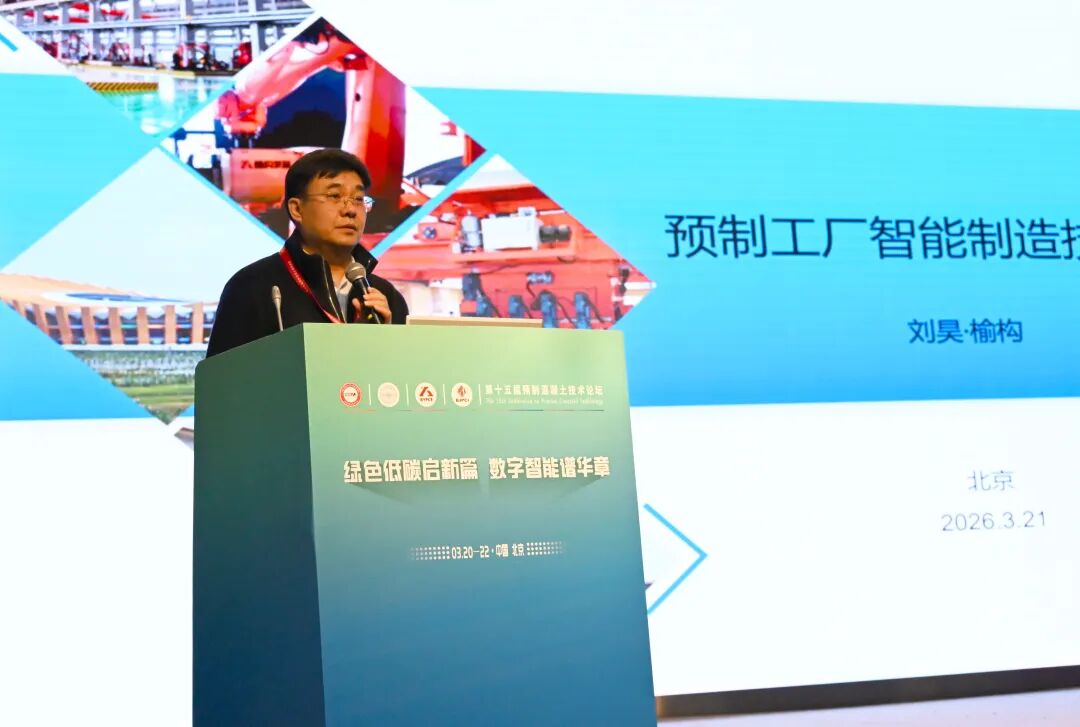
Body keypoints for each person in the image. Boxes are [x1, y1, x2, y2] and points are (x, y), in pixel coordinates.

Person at [206, 149, 408, 357]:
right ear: (297, 209)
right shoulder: (252, 286)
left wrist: (380, 342)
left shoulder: (385, 297)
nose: (350, 210)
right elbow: (222, 375)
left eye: (358, 199)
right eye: (334, 196)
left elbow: (403, 372)